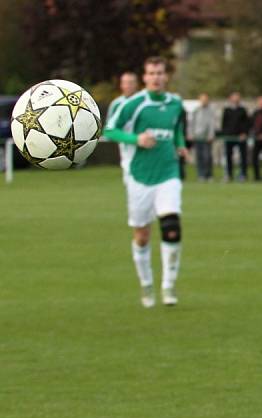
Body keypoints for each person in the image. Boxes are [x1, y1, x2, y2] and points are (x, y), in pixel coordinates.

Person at [104, 56, 188, 307]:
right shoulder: (135, 104)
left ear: (166, 76)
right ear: (145, 77)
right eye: (151, 73)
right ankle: (146, 284)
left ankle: (168, 287)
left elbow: (177, 129)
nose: (156, 78)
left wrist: (181, 146)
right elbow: (109, 129)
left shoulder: (176, 103)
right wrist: (135, 139)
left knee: (171, 225)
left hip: (168, 173)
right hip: (139, 176)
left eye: (160, 73)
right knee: (142, 234)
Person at [106, 71, 140, 184]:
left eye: (131, 82)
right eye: (126, 83)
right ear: (121, 85)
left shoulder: (142, 102)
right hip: (127, 148)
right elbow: (109, 129)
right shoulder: (117, 103)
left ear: (136, 84)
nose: (128, 86)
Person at [221, 91, 249, 182]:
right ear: (230, 98)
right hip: (229, 137)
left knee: (243, 156)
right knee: (228, 156)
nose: (236, 99)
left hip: (240, 137)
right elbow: (224, 124)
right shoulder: (226, 110)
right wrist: (225, 134)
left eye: (237, 97)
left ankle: (243, 174)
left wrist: (244, 133)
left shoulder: (242, 110)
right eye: (234, 97)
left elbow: (246, 123)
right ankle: (228, 174)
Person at [188, 92, 215, 182]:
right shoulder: (196, 110)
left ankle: (209, 175)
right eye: (202, 99)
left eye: (205, 99)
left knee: (207, 157)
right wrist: (191, 134)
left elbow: (212, 124)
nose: (204, 101)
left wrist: (211, 135)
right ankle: (201, 175)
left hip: (207, 138)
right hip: (197, 137)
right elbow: (191, 124)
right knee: (199, 157)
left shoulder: (211, 111)